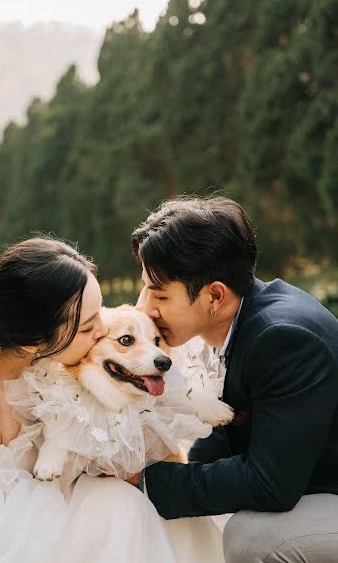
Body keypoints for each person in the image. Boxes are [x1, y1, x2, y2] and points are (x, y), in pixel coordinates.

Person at [0, 235, 224, 563]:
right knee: (116, 506)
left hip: (74, 500)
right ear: (35, 342)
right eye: (89, 327)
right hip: (25, 535)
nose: (103, 329)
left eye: (98, 312)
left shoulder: (60, 360)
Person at [130, 196, 338, 563]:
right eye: (146, 288)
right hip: (305, 475)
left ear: (214, 295)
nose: (145, 307)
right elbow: (229, 430)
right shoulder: (229, 325)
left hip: (326, 487)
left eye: (160, 294)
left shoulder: (284, 339)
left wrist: (147, 482)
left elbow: (269, 485)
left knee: (250, 539)